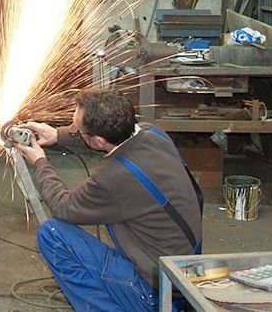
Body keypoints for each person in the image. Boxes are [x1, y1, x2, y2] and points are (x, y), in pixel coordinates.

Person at [15, 88, 202, 312]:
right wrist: (57, 135)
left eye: (78, 129)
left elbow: (64, 207)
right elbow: (103, 139)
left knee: (53, 234)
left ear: (98, 140)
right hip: (184, 273)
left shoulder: (112, 177)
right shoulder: (153, 134)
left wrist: (40, 162)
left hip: (153, 291)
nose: (74, 130)